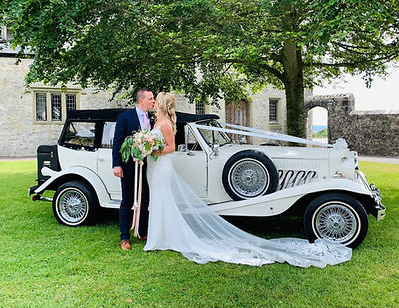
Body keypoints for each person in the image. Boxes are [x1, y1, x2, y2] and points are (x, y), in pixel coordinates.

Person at [143, 92, 352, 268]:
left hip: (161, 164)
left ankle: (162, 236)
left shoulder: (166, 124)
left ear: (160, 105)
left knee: (163, 200)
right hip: (158, 166)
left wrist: (152, 148)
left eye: (155, 101)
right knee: (160, 201)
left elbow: (167, 146)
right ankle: (160, 236)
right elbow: (169, 146)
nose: (153, 104)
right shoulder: (159, 122)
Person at [112, 88, 155, 250]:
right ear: (141, 100)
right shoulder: (125, 117)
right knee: (127, 200)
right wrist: (116, 164)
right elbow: (117, 143)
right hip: (128, 166)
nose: (153, 101)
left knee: (145, 200)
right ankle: (124, 237)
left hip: (147, 166)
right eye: (151, 98)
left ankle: (142, 231)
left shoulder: (152, 118)